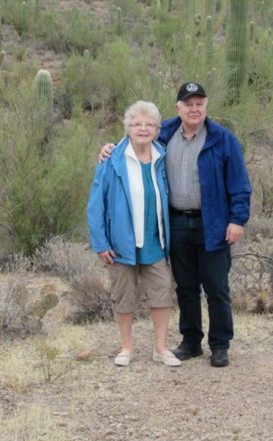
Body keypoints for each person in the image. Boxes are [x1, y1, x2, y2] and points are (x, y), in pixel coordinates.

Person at [100, 82, 251, 367]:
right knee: (186, 286)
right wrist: (110, 148)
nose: (194, 109)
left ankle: (219, 345)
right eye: (188, 104)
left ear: (206, 106)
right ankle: (191, 341)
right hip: (177, 223)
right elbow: (136, 136)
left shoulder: (222, 139)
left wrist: (237, 220)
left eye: (199, 104)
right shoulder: (166, 133)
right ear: (178, 108)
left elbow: (240, 185)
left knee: (216, 287)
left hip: (214, 225)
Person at [87, 101, 181, 367]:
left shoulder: (163, 157)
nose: (143, 128)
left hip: (155, 241)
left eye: (149, 124)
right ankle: (126, 347)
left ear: (157, 129)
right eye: (136, 124)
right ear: (127, 129)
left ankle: (160, 349)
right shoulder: (112, 159)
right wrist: (100, 243)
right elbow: (96, 205)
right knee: (124, 297)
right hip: (120, 244)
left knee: (162, 294)